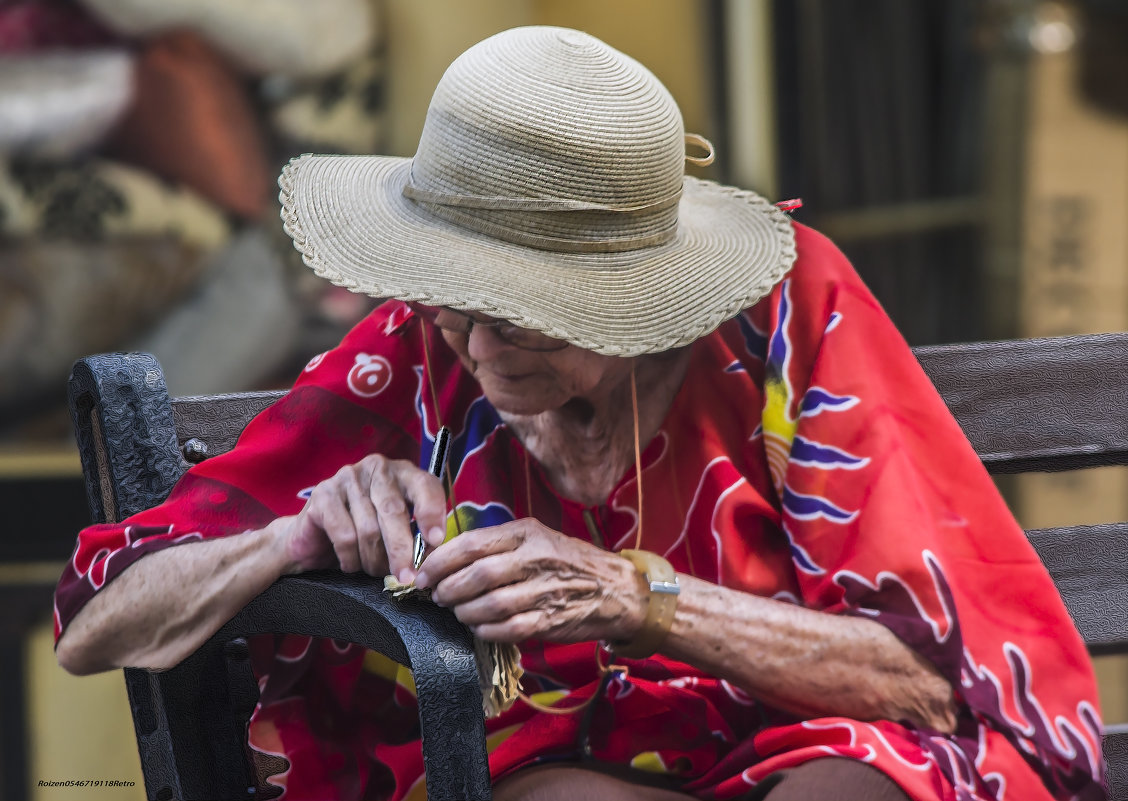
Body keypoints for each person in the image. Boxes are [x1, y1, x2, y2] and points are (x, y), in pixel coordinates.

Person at [53, 26, 1105, 801]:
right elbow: (97, 628)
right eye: (450, 302)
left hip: (820, 754)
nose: (479, 346)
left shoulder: (783, 330)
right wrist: (295, 535)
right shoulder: (419, 353)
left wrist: (640, 600)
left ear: (641, 299)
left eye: (525, 316)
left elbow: (931, 685)